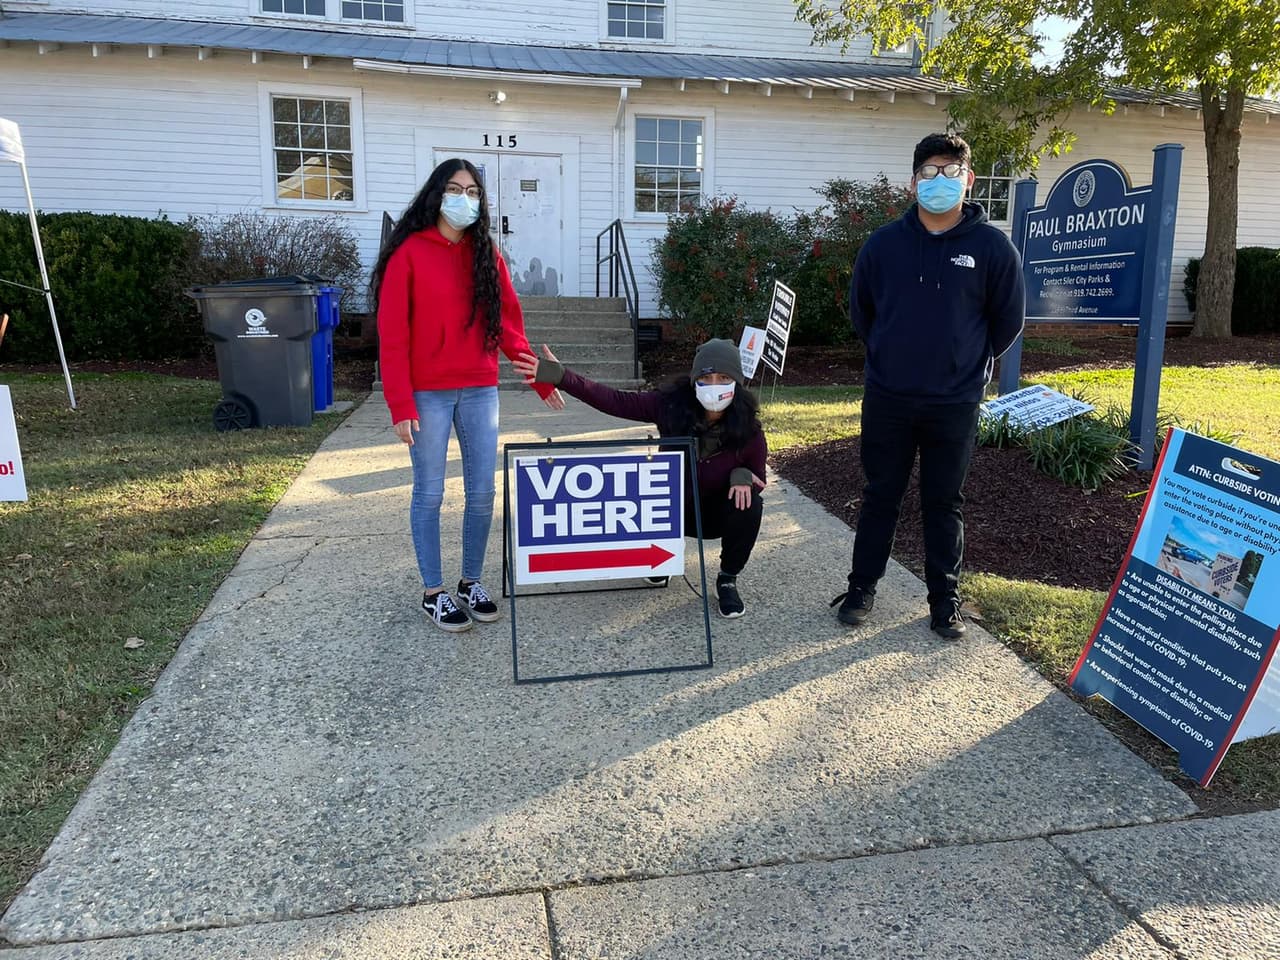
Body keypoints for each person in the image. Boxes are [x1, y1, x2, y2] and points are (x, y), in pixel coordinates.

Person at [832, 133, 1025, 639]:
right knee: (880, 496)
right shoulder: (883, 245)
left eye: (950, 170)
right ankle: (861, 588)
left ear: (969, 179)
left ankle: (945, 601)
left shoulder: (992, 248)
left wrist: (966, 364)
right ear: (913, 181)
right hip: (888, 397)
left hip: (954, 402)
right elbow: (862, 313)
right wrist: (892, 356)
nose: (940, 180)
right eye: (929, 171)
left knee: (944, 502)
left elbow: (1007, 321)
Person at [372, 158, 564, 633]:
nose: (465, 199)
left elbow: (508, 324)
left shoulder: (485, 254)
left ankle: (470, 582)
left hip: (479, 388)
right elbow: (392, 335)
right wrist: (400, 403)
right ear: (437, 195)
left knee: (482, 492)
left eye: (474, 192)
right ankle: (433, 592)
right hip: (427, 394)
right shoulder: (409, 253)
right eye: (456, 190)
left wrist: (540, 378)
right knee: (430, 492)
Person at [512, 338, 766, 619]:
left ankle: (727, 578)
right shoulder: (670, 405)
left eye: (724, 378)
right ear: (695, 380)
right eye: (706, 377)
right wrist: (562, 377)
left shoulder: (750, 429)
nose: (714, 385)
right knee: (644, 484)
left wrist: (742, 475)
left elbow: (759, 478)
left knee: (751, 504)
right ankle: (665, 554)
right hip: (669, 510)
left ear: (736, 383)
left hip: (716, 514)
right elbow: (615, 401)